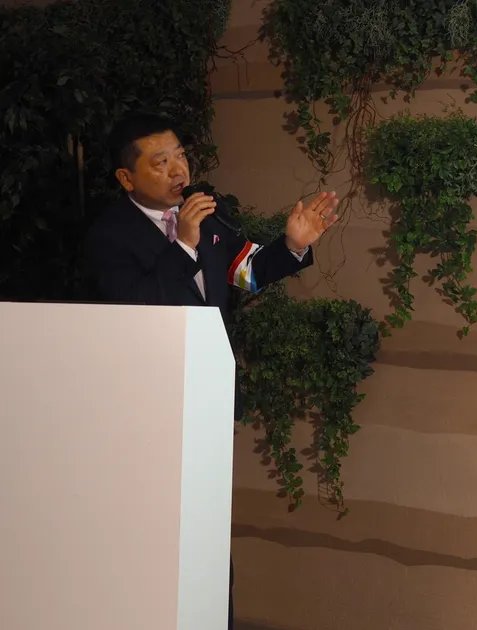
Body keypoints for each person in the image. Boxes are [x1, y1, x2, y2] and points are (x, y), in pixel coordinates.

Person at [84, 112, 339, 629]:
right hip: (142, 413)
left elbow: (245, 273)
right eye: (160, 162)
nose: (179, 169)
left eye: (180, 155)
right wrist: (183, 244)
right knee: (154, 537)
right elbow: (137, 306)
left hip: (207, 402)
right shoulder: (109, 235)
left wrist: (293, 245)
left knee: (206, 536)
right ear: (127, 178)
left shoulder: (208, 217)